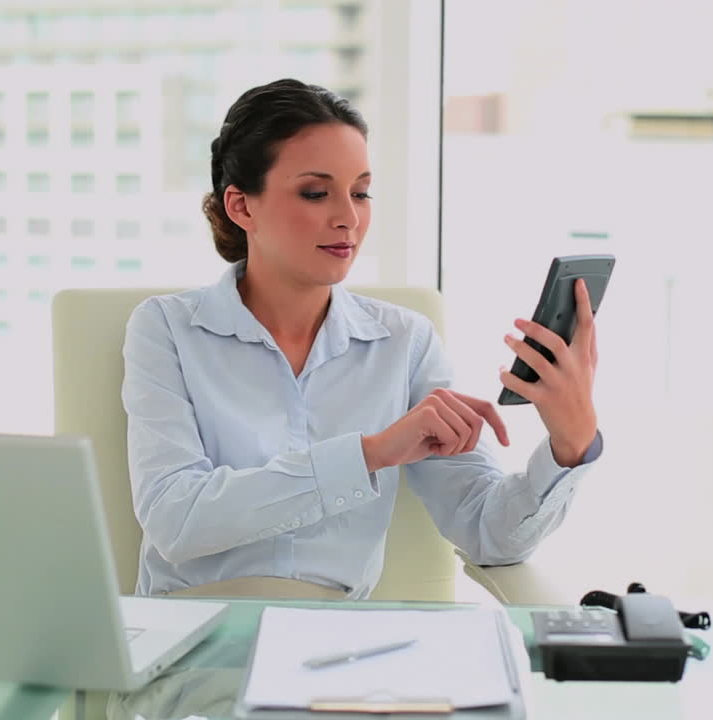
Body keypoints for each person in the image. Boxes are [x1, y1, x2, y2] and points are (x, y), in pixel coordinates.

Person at [122, 78, 602, 598]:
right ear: (241, 206)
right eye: (315, 193)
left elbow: (489, 534)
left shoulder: (406, 343)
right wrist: (369, 453)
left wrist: (568, 445)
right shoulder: (166, 329)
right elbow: (176, 520)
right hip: (198, 646)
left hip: (336, 653)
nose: (348, 219)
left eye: (360, 192)